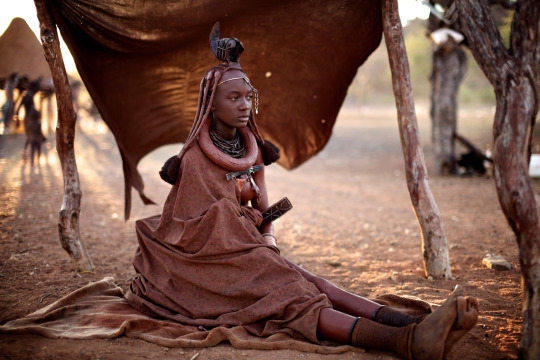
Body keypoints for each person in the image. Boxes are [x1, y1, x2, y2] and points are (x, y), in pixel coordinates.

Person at [126, 23, 478, 360]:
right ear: (211, 104)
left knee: (309, 280)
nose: (244, 105)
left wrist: (269, 241)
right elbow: (189, 229)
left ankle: (411, 323)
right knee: (293, 296)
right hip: (200, 265)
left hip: (249, 248)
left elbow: (264, 210)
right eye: (233, 98)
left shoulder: (254, 149)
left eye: (248, 97)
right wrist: (234, 212)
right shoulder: (193, 160)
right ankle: (403, 341)